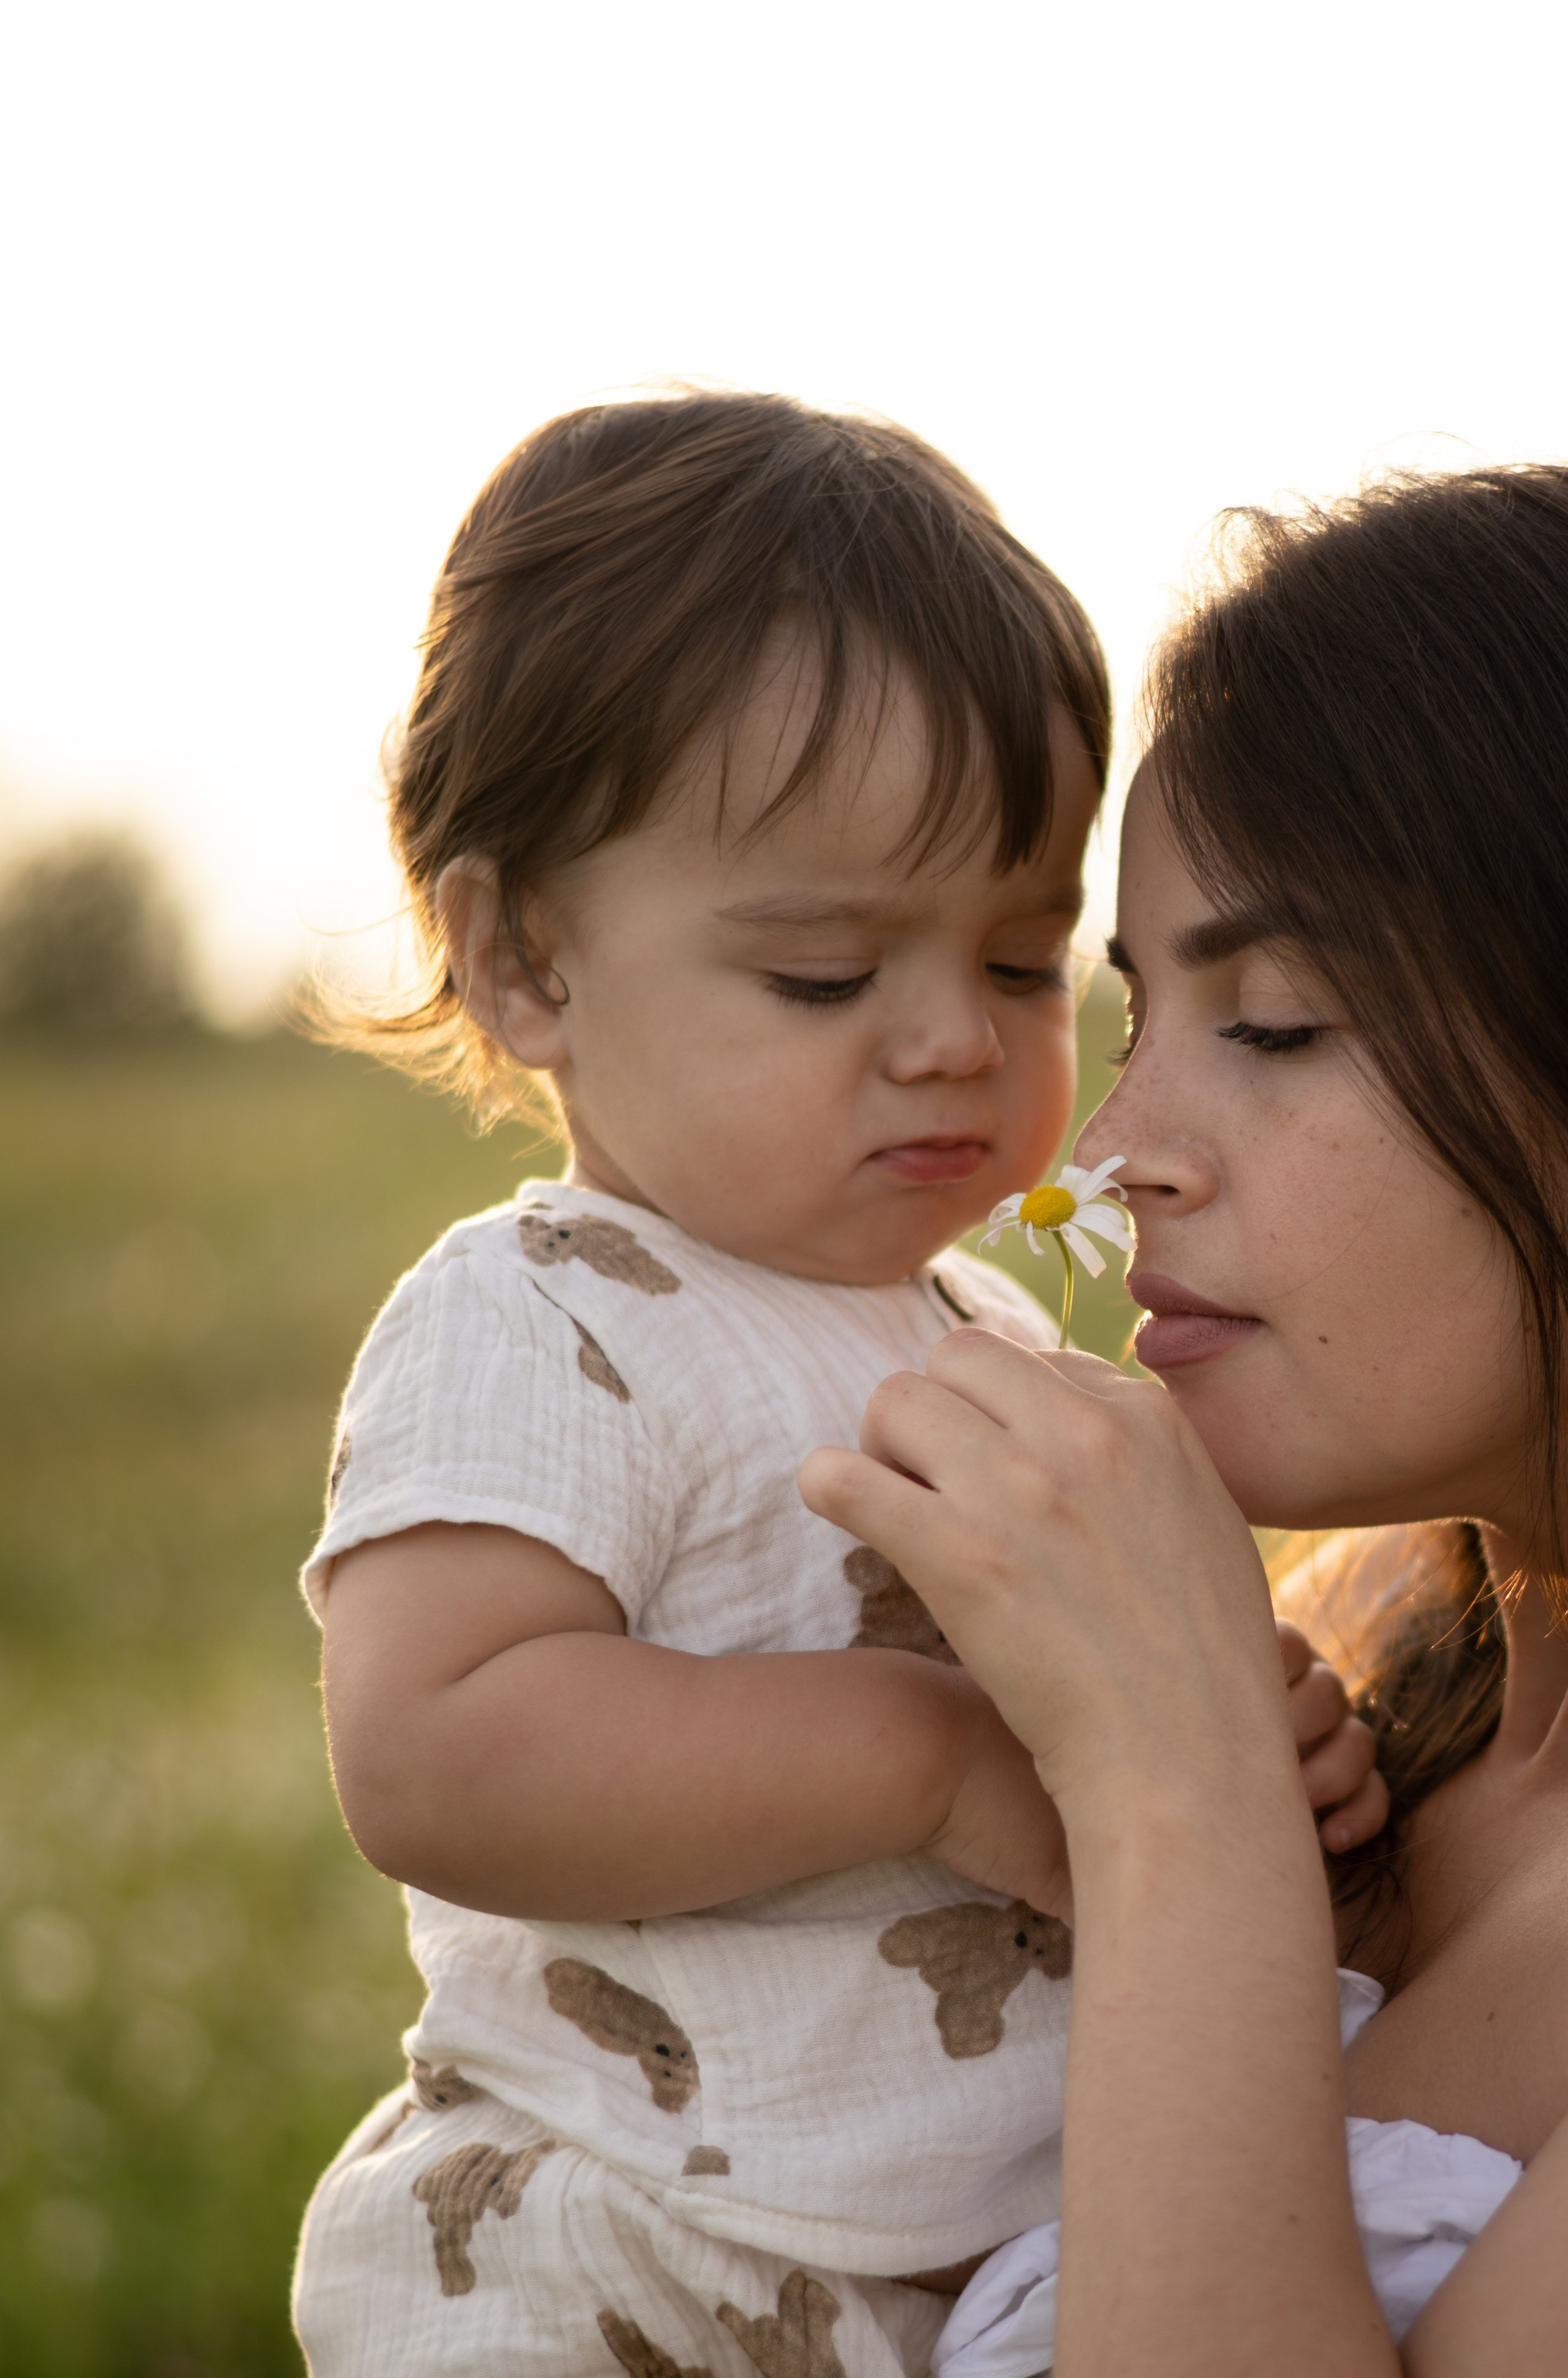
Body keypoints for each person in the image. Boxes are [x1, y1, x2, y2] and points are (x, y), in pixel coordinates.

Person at [290, 392, 1377, 2377]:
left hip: (952, 2261)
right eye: (823, 977)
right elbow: (433, 1745)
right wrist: (930, 1753)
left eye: (1024, 964)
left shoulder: (993, 1333)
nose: (954, 1043)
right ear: (525, 962)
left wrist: (1246, 1709)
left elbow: (1120, 1654)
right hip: (612, 2258)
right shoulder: (544, 1317)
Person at [801, 465, 1568, 2375]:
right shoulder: (1362, 1718)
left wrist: (1176, 1786)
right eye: (1135, 1018)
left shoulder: (1229, 1751)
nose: (1115, 1156)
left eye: (1283, 1023)